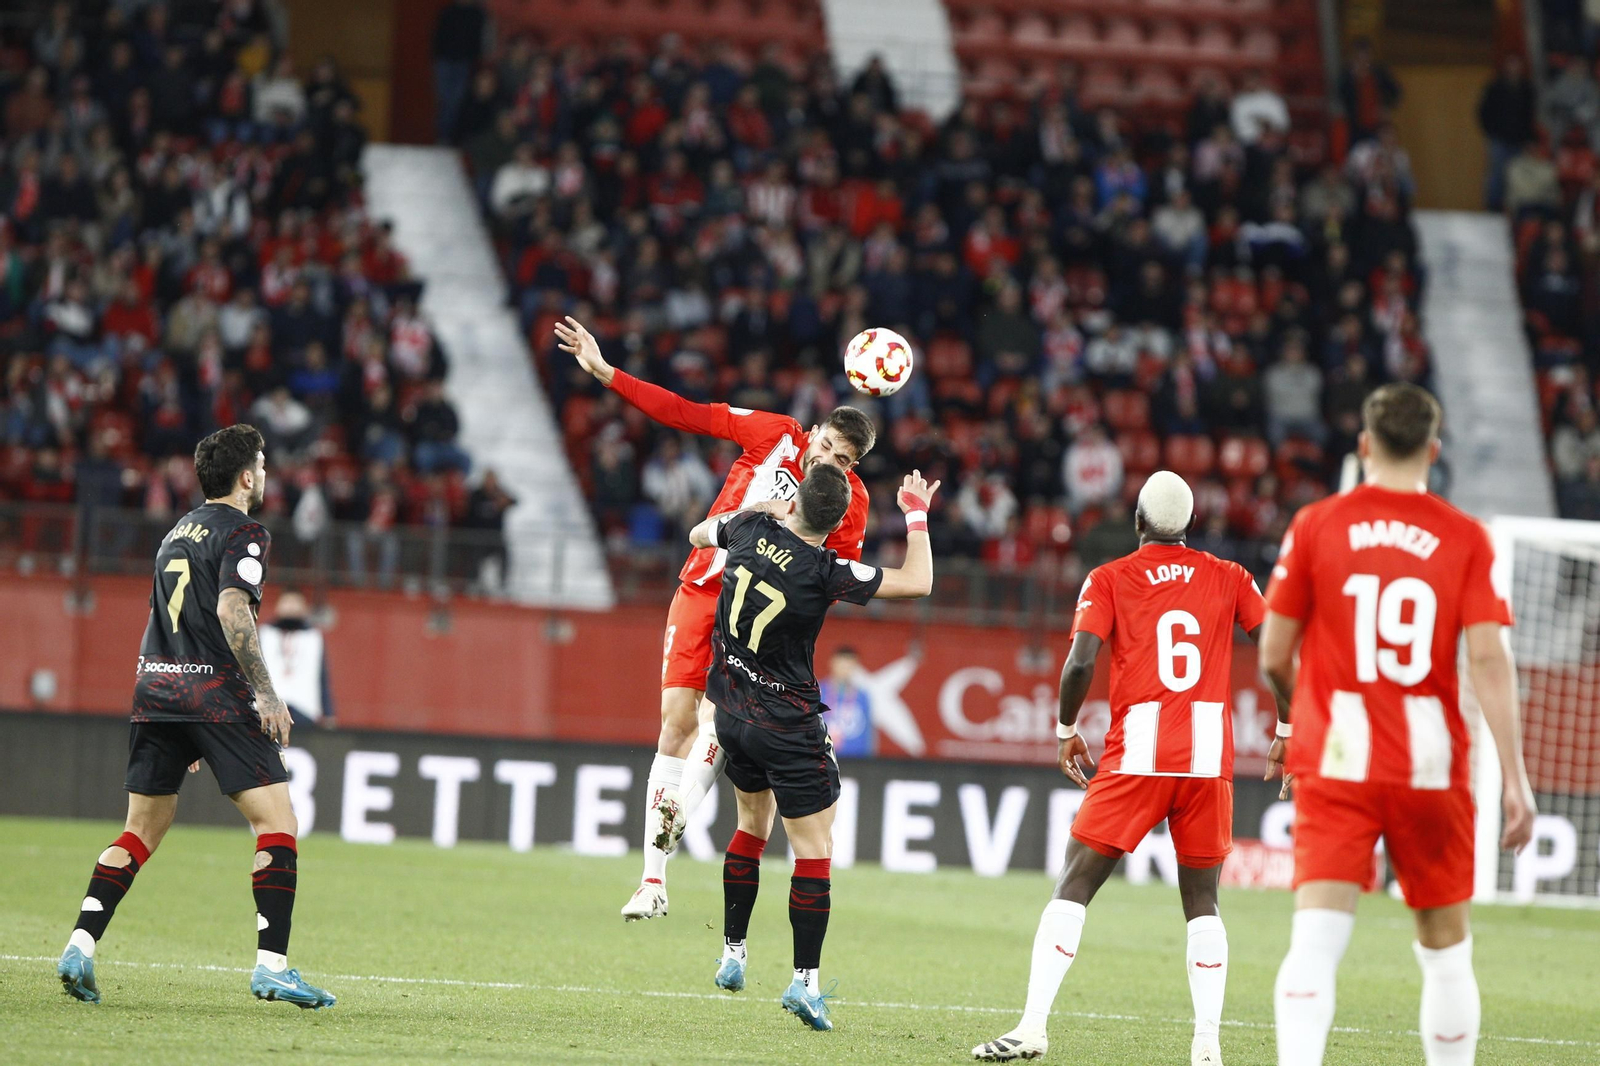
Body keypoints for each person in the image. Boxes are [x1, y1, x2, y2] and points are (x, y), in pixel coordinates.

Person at [553, 316, 876, 922]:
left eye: (843, 458)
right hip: (702, 584)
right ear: (811, 433)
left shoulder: (849, 505)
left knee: (714, 720)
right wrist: (606, 373)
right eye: (826, 446)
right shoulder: (772, 433)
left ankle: (665, 855)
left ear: (854, 467)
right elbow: (688, 413)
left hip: (754, 609)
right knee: (675, 722)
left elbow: (834, 580)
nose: (828, 460)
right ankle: (653, 880)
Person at [973, 470, 1287, 1066]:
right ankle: (1207, 1048)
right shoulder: (1231, 576)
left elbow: (1078, 664)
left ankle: (1033, 1027)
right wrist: (1288, 730)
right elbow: (1276, 653)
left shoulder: (1110, 578)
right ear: (1191, 525)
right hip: (1204, 759)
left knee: (1075, 886)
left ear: (1138, 522)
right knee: (1203, 901)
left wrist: (1066, 730)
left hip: (1136, 757)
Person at [1263, 384, 1536, 1066]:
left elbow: (1272, 653)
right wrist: (1515, 779)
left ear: (1363, 446)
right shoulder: (1466, 538)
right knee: (1447, 957)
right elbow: (1489, 662)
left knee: (1315, 946)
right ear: (1434, 452)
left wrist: (1305, 720)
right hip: (1432, 764)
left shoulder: (1318, 523)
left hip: (1339, 756)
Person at [55, 425, 335, 1010]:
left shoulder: (174, 534)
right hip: (215, 693)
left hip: (156, 689)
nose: (263, 472)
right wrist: (265, 694)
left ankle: (80, 944)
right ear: (246, 476)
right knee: (277, 823)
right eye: (260, 463)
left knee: (139, 829)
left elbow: (164, 613)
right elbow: (233, 609)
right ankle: (272, 967)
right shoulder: (246, 531)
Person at [682, 464, 938, 1030]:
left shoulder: (747, 528)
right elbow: (918, 581)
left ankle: (732, 952)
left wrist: (765, 514)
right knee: (814, 848)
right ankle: (805, 983)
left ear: (794, 498)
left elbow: (700, 534)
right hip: (788, 728)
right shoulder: (827, 570)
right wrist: (915, 511)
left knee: (751, 826)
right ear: (840, 520)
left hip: (731, 713)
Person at [259, 589, 334, 729]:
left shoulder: (313, 637)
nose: (291, 607)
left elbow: (322, 675)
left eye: (295, 603)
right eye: (287, 602)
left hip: (304, 708)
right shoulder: (265, 634)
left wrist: (328, 713)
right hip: (268, 709)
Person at [819, 647, 874, 757]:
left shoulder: (862, 696)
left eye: (849, 666)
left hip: (856, 761)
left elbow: (869, 734)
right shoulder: (817, 692)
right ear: (832, 664)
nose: (845, 671)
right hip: (823, 760)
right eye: (841, 666)